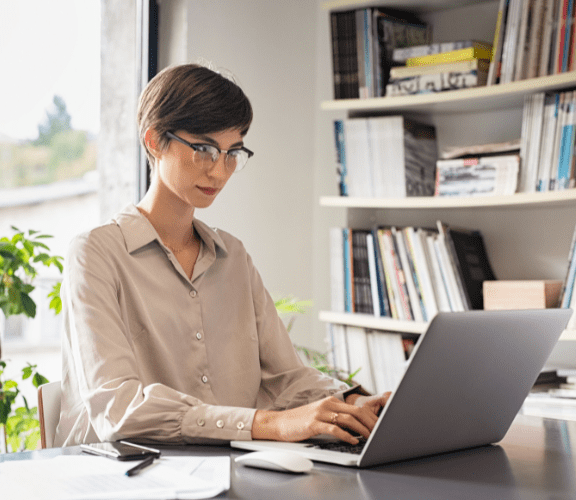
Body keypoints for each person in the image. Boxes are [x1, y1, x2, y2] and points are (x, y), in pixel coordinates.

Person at [55, 63, 389, 447]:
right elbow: (120, 409)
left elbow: (287, 378)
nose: (219, 170)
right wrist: (272, 424)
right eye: (203, 149)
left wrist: (356, 403)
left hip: (229, 471)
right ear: (153, 141)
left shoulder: (234, 257)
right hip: (126, 478)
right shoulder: (94, 254)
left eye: (232, 153)